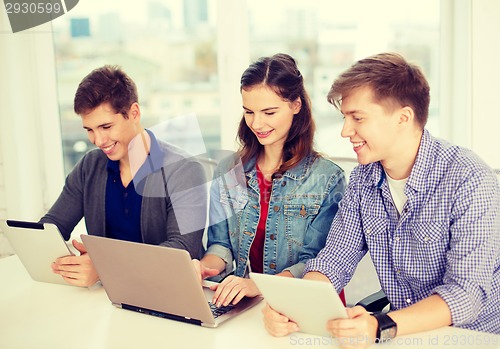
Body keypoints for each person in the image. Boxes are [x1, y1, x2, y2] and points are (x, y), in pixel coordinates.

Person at [262, 52, 500, 346]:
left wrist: (379, 325)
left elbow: (466, 295)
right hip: (397, 334)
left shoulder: (469, 179)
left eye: (357, 118)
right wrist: (296, 308)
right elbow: (335, 260)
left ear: (403, 118)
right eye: (345, 117)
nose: (345, 131)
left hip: (471, 337)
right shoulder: (364, 178)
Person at [193, 53, 347, 308]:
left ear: (296, 105)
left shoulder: (327, 179)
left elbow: (316, 263)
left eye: (269, 112)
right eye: (249, 112)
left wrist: (260, 285)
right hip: (252, 304)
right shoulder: (228, 170)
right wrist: (204, 267)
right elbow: (221, 245)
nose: (257, 123)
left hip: (306, 304)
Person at [42, 65, 208, 287]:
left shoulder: (184, 169)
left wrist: (104, 267)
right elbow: (52, 226)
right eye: (89, 130)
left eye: (106, 126)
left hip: (168, 292)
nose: (99, 141)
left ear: (134, 113)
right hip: (111, 295)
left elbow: (181, 249)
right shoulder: (90, 166)